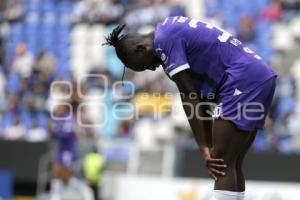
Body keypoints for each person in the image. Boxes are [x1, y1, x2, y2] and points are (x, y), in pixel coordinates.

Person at [103, 16, 277, 200]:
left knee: (220, 161)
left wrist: (203, 146)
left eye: (143, 65)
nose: (152, 69)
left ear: (141, 49)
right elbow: (199, 99)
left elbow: (189, 96)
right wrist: (206, 141)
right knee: (231, 162)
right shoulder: (167, 28)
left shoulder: (164, 42)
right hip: (256, 75)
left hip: (243, 79)